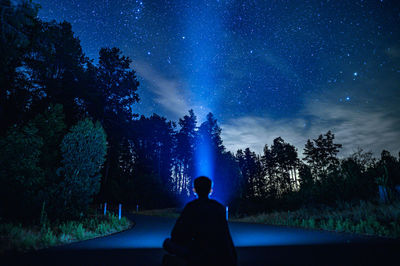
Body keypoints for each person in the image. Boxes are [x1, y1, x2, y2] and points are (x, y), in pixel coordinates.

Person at [162, 176, 237, 266]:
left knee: (167, 243)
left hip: (197, 252)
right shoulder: (219, 207)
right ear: (210, 190)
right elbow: (225, 234)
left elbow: (176, 234)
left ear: (194, 190)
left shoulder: (191, 207)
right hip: (218, 252)